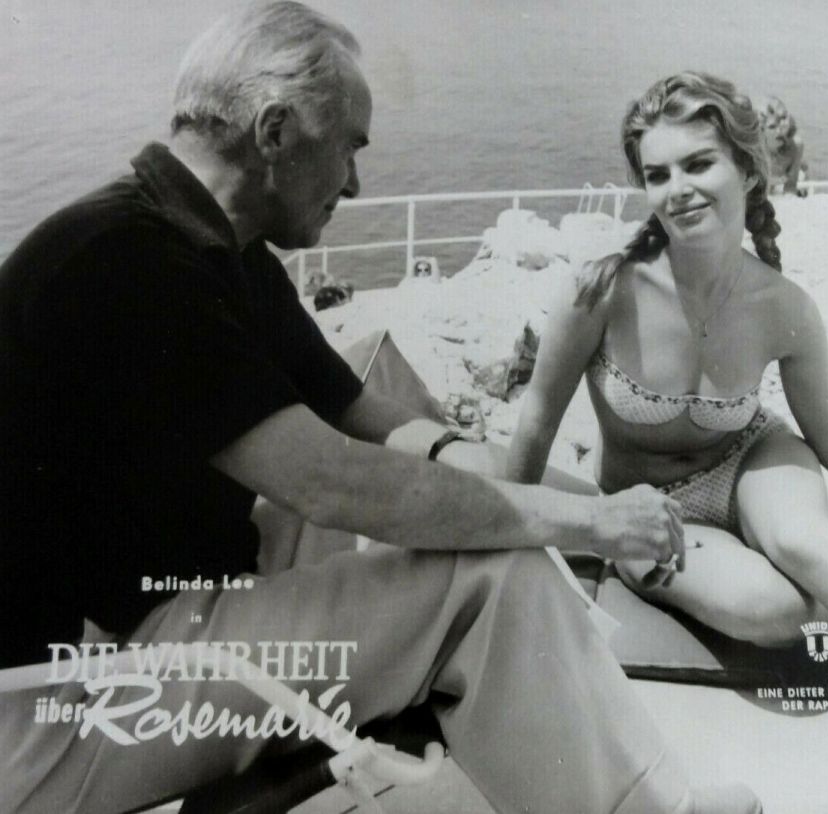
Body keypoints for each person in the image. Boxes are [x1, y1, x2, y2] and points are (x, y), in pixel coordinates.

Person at [0, 6, 765, 813]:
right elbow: (331, 484)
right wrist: (587, 523)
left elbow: (352, 404)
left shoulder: (207, 245)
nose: (357, 183)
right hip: (62, 705)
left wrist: (472, 463)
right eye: (351, 147)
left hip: (147, 611)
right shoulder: (127, 264)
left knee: (449, 503)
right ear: (274, 132)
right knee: (487, 576)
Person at [507, 71, 828, 740]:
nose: (677, 189)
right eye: (657, 174)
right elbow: (535, 425)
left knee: (804, 543)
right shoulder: (600, 291)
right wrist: (504, 547)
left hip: (752, 459)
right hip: (645, 506)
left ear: (746, 169)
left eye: (698, 164)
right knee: (774, 609)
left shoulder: (783, 306)